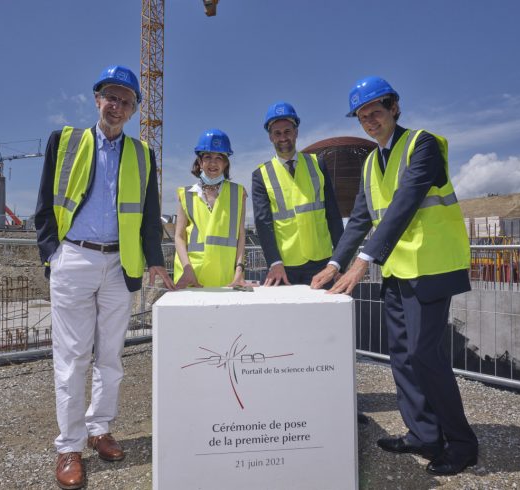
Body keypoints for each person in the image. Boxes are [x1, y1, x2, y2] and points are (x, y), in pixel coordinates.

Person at [311, 76, 478, 476]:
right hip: (399, 269)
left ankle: (461, 443)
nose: (369, 122)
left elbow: (405, 204)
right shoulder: (371, 161)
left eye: (376, 113)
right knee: (401, 355)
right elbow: (361, 219)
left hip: (432, 266)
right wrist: (335, 263)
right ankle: (422, 435)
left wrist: (363, 261)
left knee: (425, 355)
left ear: (394, 108)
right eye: (363, 117)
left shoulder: (423, 145)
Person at [35, 64, 174, 490]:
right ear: (97, 100)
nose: (116, 106)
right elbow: (44, 203)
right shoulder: (66, 141)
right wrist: (52, 256)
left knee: (111, 358)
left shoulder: (142, 154)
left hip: (120, 264)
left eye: (125, 101)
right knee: (73, 358)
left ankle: (100, 430)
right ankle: (69, 447)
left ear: (133, 110)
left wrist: (154, 260)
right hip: (74, 258)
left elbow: (150, 216)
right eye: (110, 97)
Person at [251, 101, 344, 286]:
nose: (283, 137)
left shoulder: (318, 164)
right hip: (284, 266)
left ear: (296, 132)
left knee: (322, 315)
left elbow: (333, 214)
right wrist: (274, 262)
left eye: (287, 131)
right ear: (270, 137)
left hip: (321, 260)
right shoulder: (261, 175)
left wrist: (340, 261)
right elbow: (263, 223)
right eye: (277, 133)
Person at [173, 129, 248, 288]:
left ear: (226, 163)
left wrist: (239, 270)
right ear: (200, 162)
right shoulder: (185, 194)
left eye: (219, 157)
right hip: (192, 277)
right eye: (207, 157)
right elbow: (179, 236)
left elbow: (241, 235)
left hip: (225, 277)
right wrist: (187, 270)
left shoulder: (238, 193)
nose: (213, 163)